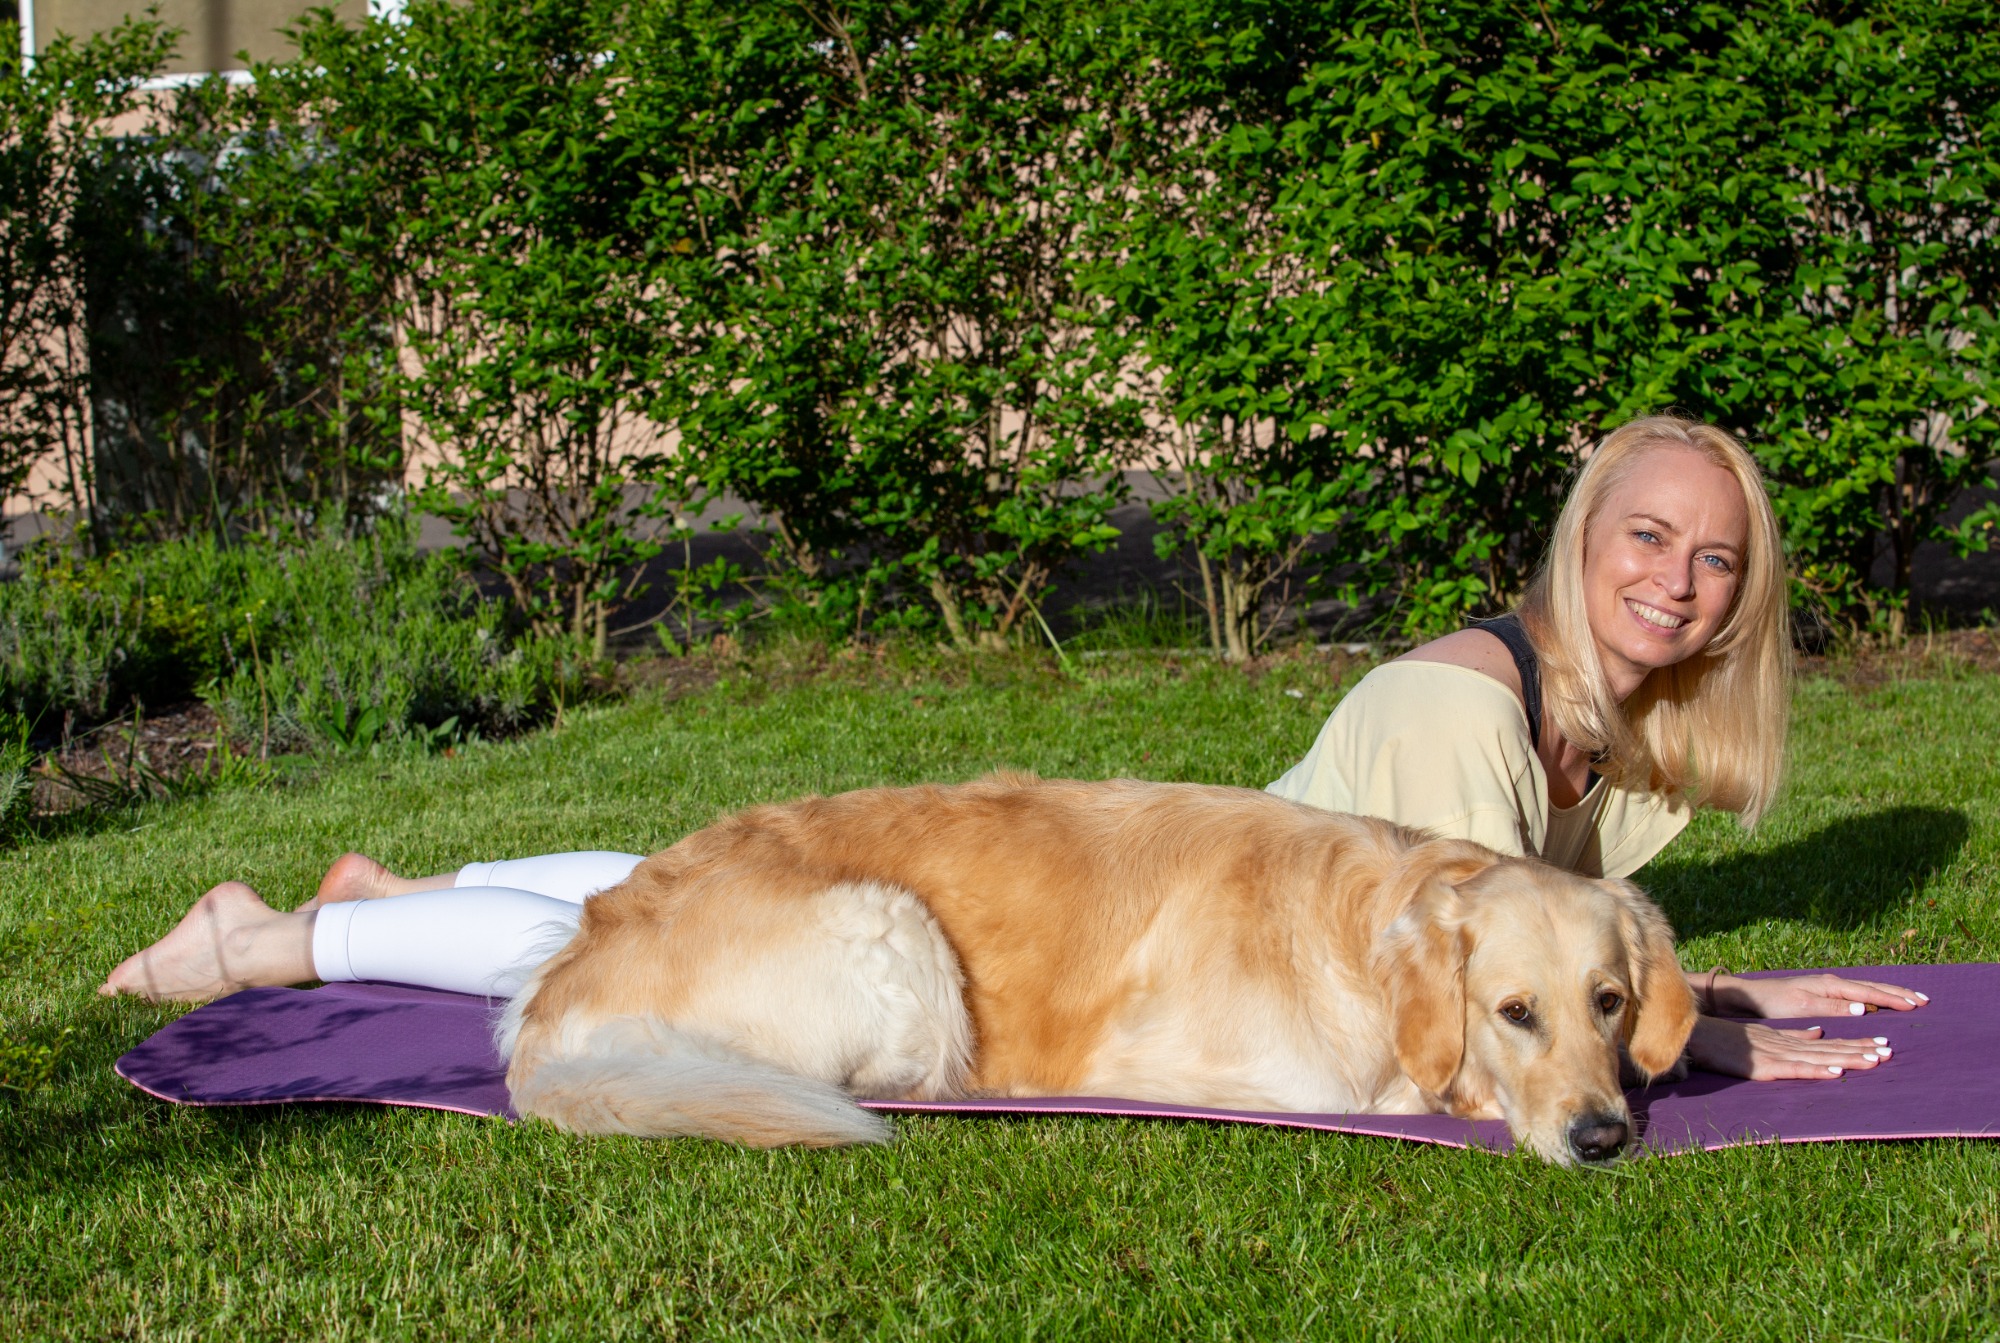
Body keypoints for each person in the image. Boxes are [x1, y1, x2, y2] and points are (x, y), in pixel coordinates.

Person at [101, 415, 1926, 1081]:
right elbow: (1482, 985)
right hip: (1182, 934)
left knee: (688, 888)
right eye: (1646, 538)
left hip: (1155, 904)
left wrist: (1697, 991)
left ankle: (387, 892)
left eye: (1717, 561)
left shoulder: (1611, 721)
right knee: (665, 940)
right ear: (1581, 541)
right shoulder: (1474, 710)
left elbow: (1546, 968)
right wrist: (1715, 1027)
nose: (1679, 580)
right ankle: (280, 939)